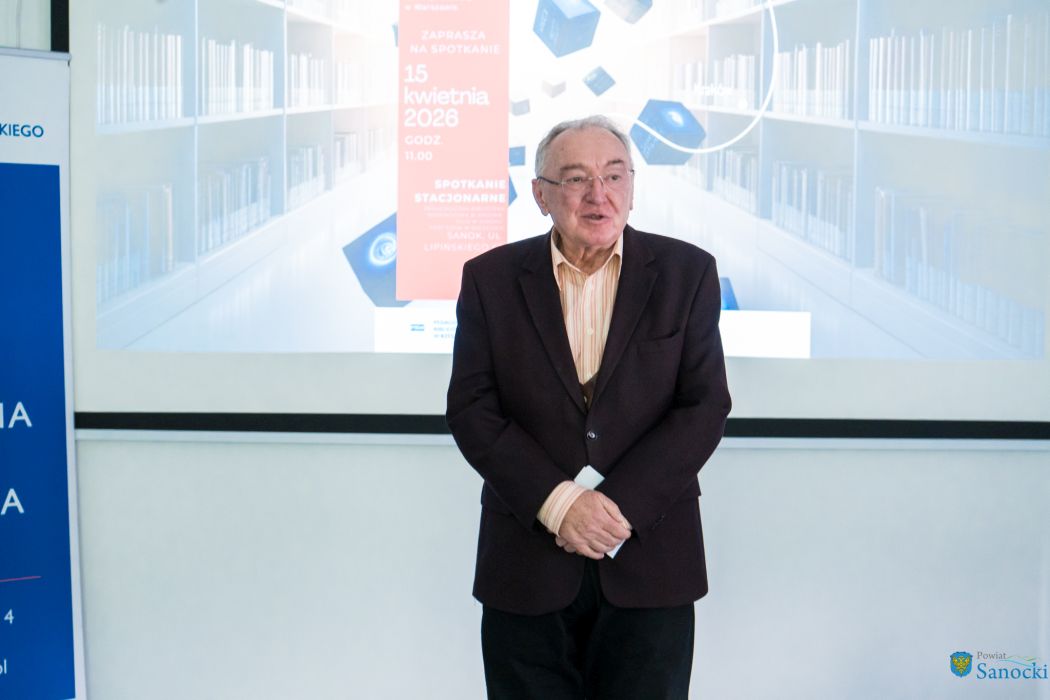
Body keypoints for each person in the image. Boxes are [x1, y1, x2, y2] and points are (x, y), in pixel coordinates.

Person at [446, 115, 731, 699]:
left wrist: (613, 510)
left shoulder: (688, 272)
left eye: (614, 175)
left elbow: (704, 405)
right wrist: (560, 505)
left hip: (650, 561)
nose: (599, 195)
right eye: (576, 179)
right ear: (541, 195)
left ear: (632, 185)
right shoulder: (489, 279)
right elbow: (472, 408)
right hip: (527, 562)